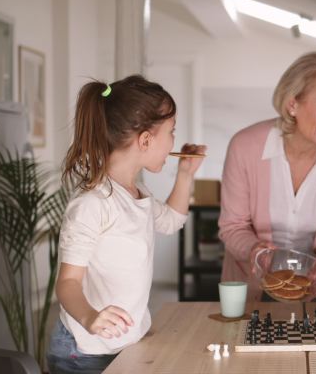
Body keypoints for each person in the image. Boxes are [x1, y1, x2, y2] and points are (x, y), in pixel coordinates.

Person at [46, 75, 205, 373]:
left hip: (125, 343)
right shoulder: (93, 203)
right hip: (84, 353)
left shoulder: (138, 193)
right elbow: (67, 284)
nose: (174, 140)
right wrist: (90, 317)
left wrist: (185, 173)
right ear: (145, 140)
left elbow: (171, 222)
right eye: (171, 131)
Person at [219, 52, 316, 301]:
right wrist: (256, 252)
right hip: (251, 287)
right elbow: (233, 227)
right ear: (292, 104)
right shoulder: (244, 146)